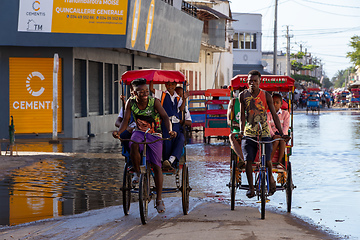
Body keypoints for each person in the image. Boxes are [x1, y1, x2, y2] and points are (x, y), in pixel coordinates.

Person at [113, 78, 176, 213]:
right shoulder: (130, 103)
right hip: (139, 132)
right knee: (133, 143)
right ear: (134, 93)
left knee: (156, 166)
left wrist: (170, 130)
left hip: (155, 134)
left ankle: (159, 199)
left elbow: (165, 117)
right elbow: (125, 120)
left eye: (146, 91)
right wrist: (119, 133)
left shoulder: (155, 102)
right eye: (140, 91)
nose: (144, 93)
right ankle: (136, 172)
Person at [228, 70, 289, 198]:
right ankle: (251, 188)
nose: (252, 83)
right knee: (248, 161)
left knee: (267, 161)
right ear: (247, 82)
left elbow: (274, 115)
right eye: (250, 81)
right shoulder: (242, 95)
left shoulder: (266, 96)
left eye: (255, 81)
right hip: (249, 131)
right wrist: (241, 131)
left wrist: (281, 133)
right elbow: (243, 117)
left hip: (264, 131)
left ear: (259, 82)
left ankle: (271, 178)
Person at [150, 80, 187, 170]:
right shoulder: (162, 94)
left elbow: (181, 108)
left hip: (176, 123)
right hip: (166, 123)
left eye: (172, 85)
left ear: (175, 85)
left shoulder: (178, 97)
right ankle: (166, 162)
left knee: (180, 139)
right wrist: (151, 78)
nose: (170, 86)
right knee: (167, 142)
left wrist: (185, 99)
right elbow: (151, 89)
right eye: (168, 85)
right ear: (166, 85)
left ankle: (171, 161)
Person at [266, 93, 290, 164]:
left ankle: (279, 162)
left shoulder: (285, 114)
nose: (275, 104)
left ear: (281, 104)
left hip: (282, 135)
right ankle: (269, 161)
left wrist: (283, 135)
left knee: (282, 141)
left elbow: (286, 126)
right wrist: (273, 135)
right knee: (276, 141)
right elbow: (268, 126)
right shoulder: (268, 114)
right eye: (273, 102)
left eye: (277, 103)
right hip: (271, 135)